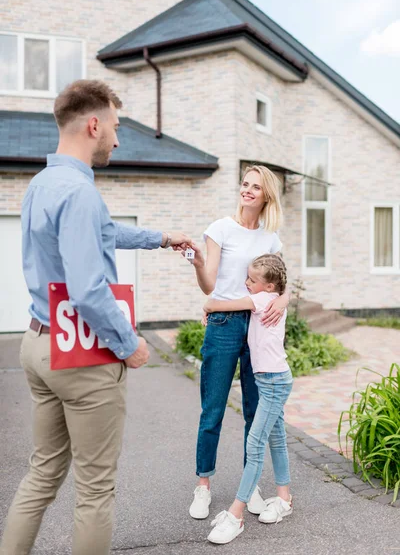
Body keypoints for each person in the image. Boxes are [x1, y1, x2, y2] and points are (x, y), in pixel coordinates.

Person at [0, 80, 191, 555]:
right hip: (83, 354)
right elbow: (88, 290)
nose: (118, 138)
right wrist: (130, 343)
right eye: (115, 127)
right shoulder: (80, 193)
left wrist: (161, 238)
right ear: (93, 124)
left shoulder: (43, 184)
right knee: (95, 489)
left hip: (38, 344)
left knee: (43, 472)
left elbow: (103, 233)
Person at [186, 165, 289, 521]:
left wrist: (283, 300)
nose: (247, 190)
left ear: (266, 195)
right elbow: (208, 284)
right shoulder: (220, 229)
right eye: (244, 184)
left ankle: (251, 486)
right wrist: (198, 264)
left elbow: (284, 281)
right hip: (224, 322)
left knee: (253, 412)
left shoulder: (270, 238)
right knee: (212, 408)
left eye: (255, 187)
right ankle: (203, 485)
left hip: (259, 325)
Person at [203, 254, 293, 544]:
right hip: (271, 380)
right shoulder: (268, 297)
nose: (246, 283)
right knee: (276, 438)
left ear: (268, 288)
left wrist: (208, 305)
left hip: (275, 383)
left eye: (252, 280)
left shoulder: (264, 301)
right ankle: (284, 499)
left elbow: (220, 304)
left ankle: (236, 514)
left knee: (255, 444)